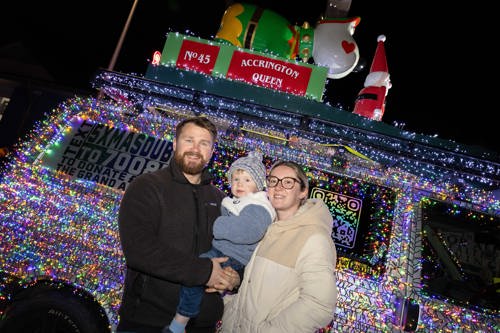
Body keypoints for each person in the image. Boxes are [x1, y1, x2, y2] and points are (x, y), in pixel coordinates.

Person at [116, 116, 240, 333]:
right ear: (175, 144)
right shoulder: (147, 187)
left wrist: (233, 276)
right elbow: (139, 250)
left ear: (211, 152)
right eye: (188, 140)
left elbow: (234, 248)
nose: (195, 149)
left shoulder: (221, 200)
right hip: (148, 321)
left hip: (202, 323)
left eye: (204, 143)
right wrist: (204, 272)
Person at [219, 160, 338, 332]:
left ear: (303, 192)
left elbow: (319, 305)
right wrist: (225, 305)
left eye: (288, 182)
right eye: (273, 181)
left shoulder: (314, 238)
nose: (278, 187)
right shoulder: (264, 227)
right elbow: (253, 290)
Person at [166, 150, 276, 333]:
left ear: (258, 185)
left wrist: (215, 224)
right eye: (236, 179)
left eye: (247, 180)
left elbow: (248, 232)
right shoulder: (236, 202)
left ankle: (181, 320)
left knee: (197, 270)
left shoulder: (258, 206)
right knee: (197, 273)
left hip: (233, 258)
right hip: (224, 253)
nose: (240, 184)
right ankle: (185, 316)